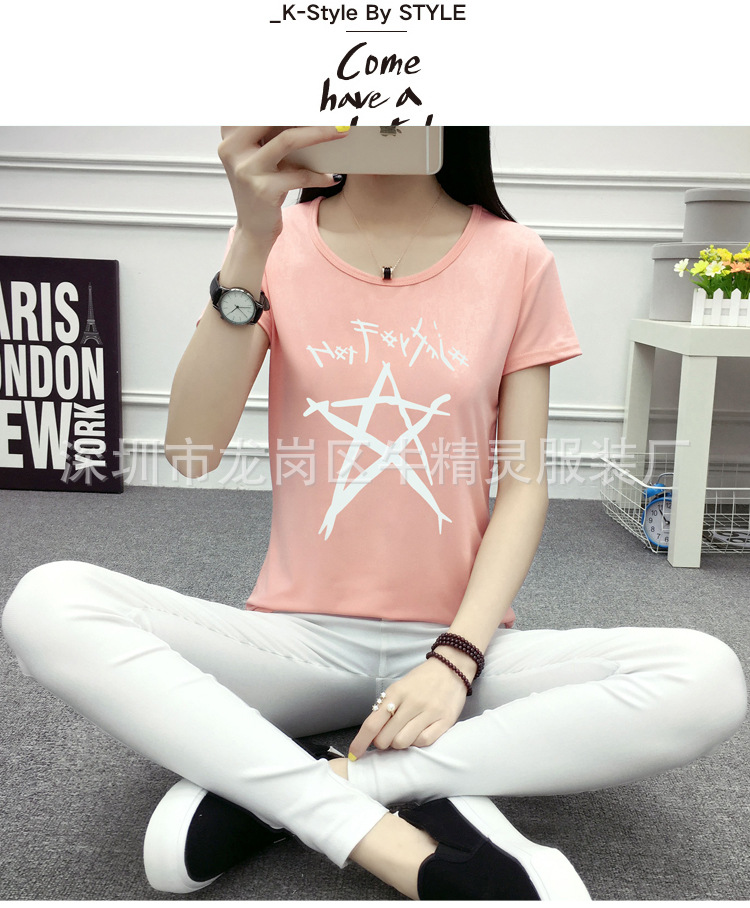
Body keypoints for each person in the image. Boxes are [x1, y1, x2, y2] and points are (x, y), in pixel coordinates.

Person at [2, 126, 746, 901]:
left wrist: (456, 658)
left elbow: (524, 487)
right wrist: (251, 237)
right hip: (297, 644)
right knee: (48, 601)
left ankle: (315, 785)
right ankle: (378, 835)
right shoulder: (274, 242)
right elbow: (191, 449)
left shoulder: (516, 257)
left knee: (707, 677)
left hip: (462, 650)